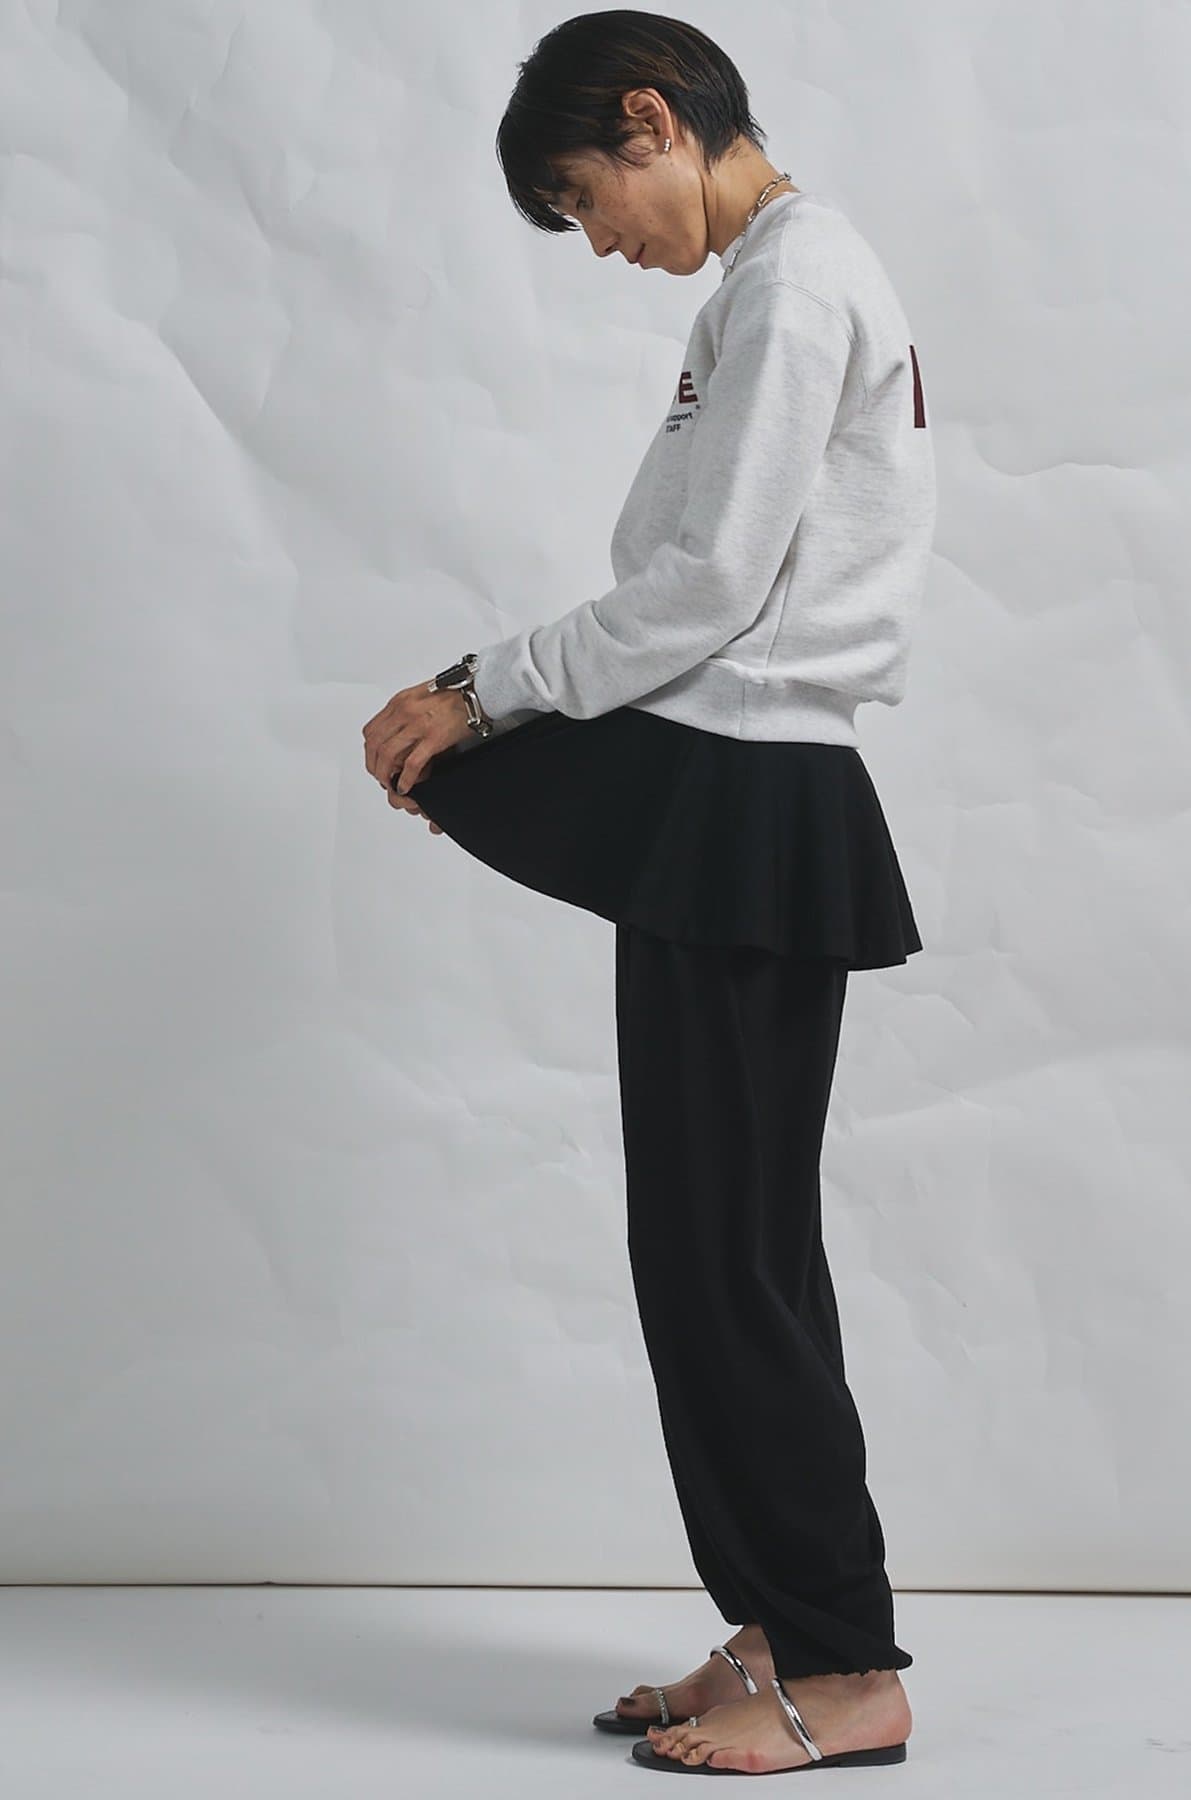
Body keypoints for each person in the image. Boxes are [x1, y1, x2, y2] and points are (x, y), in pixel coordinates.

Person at [362, 12, 935, 1777]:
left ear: (652, 120)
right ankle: (776, 1619)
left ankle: (844, 1664)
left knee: (729, 1257)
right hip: (725, 789)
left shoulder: (793, 284)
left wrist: (481, 690)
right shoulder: (770, 281)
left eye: (583, 195)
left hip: (751, 796)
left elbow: (707, 584)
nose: (596, 237)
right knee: (708, 1248)